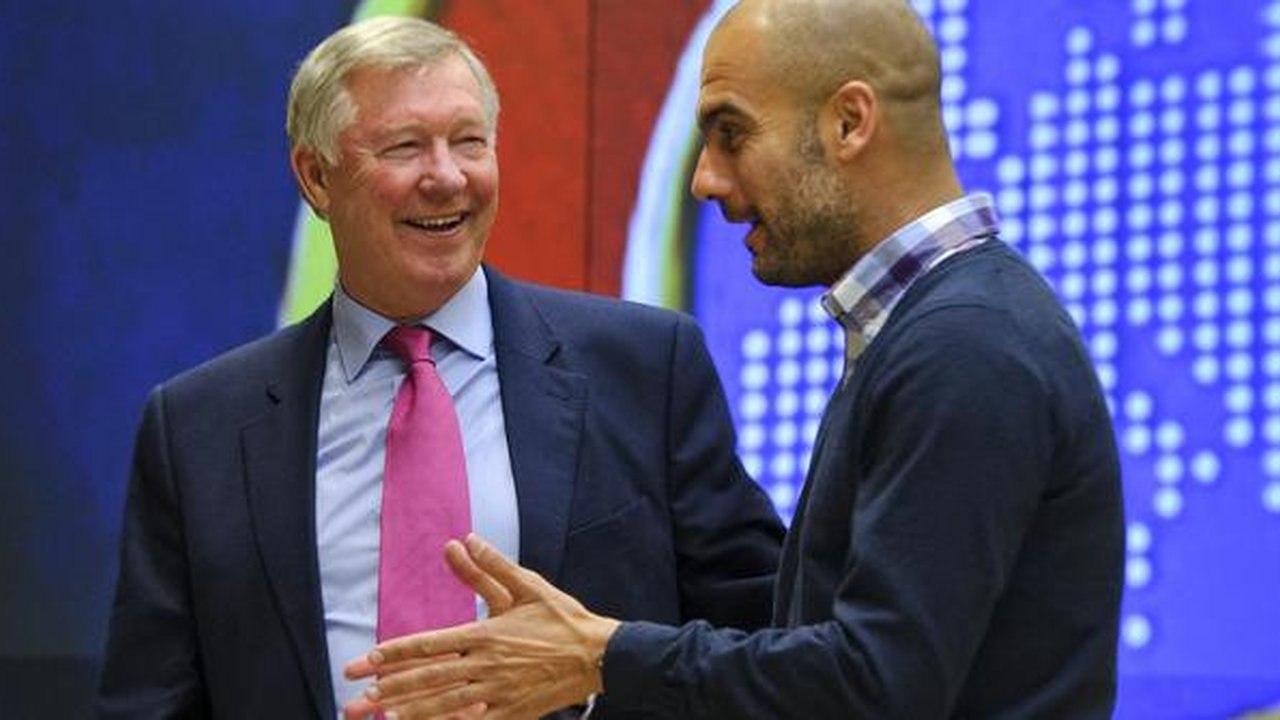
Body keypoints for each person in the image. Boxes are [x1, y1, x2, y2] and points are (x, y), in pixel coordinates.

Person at [343, 0, 1127, 718]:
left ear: (849, 123)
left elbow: (877, 685)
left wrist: (601, 654)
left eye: (731, 132)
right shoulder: (941, 328)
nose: (705, 179)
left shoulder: (966, 346)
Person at [95, 16, 784, 719]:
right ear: (316, 175)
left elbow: (764, 638)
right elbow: (150, 701)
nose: (448, 177)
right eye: (405, 147)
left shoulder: (645, 368)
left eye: (469, 142)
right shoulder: (198, 427)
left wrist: (600, 667)